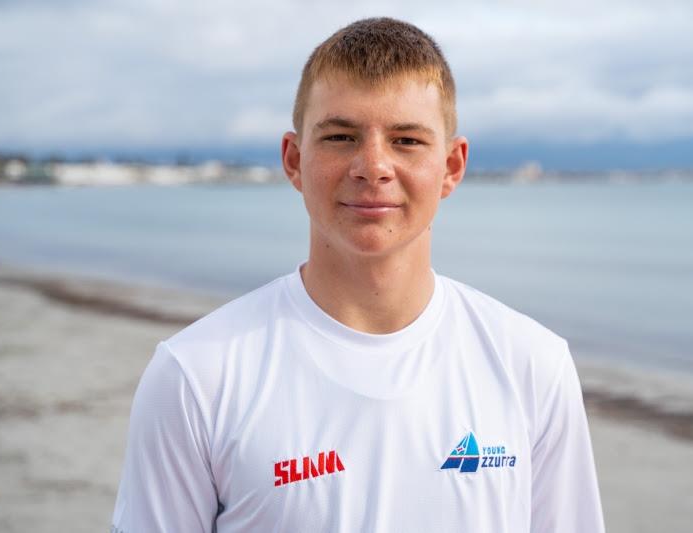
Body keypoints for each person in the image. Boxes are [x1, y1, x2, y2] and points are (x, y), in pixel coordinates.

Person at [111, 17, 605, 533]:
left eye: (407, 140)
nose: (373, 167)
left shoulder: (531, 363)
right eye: (341, 136)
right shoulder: (196, 375)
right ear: (294, 160)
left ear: (452, 166)